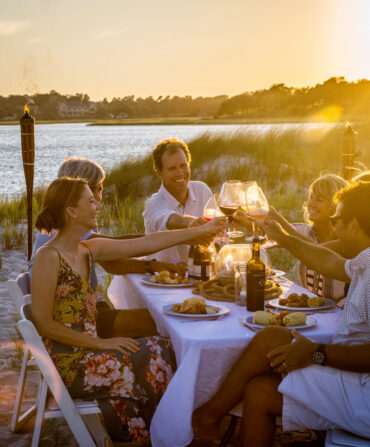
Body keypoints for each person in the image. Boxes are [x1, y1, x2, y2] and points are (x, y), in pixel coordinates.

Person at [32, 177, 227, 442]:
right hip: (70, 364)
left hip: (91, 351)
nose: (98, 205)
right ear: (71, 211)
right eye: (91, 200)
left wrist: (201, 229)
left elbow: (148, 243)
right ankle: (174, 432)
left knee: (164, 347)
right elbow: (43, 323)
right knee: (157, 356)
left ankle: (158, 431)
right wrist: (101, 344)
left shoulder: (87, 250)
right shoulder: (48, 256)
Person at [193, 181, 370, 446]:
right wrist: (282, 236)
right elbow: (327, 261)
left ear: (354, 224)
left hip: (363, 396)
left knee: (271, 339)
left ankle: (207, 417)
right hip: (353, 381)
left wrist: (315, 352)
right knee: (260, 391)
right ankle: (209, 418)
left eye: (336, 218)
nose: (333, 225)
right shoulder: (364, 261)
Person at [29, 156, 186, 339]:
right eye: (96, 189)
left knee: (160, 318)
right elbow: (120, 252)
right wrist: (178, 240)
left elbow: (112, 258)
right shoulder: (63, 234)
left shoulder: (64, 227)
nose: (99, 198)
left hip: (89, 310)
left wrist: (154, 265)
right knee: (161, 321)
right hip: (77, 324)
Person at [235, 174, 349, 300]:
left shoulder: (345, 240)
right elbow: (274, 235)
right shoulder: (306, 231)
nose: (311, 203)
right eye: (311, 197)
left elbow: (317, 252)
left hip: (340, 313)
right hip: (311, 310)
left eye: (319, 200)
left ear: (336, 206)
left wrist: (279, 219)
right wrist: (247, 222)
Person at [143, 138, 213, 262]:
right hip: (163, 278)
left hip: (201, 274)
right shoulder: (153, 204)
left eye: (183, 166)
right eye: (172, 169)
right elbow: (169, 219)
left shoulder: (202, 189)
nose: (180, 173)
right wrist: (190, 223)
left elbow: (216, 227)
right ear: (159, 173)